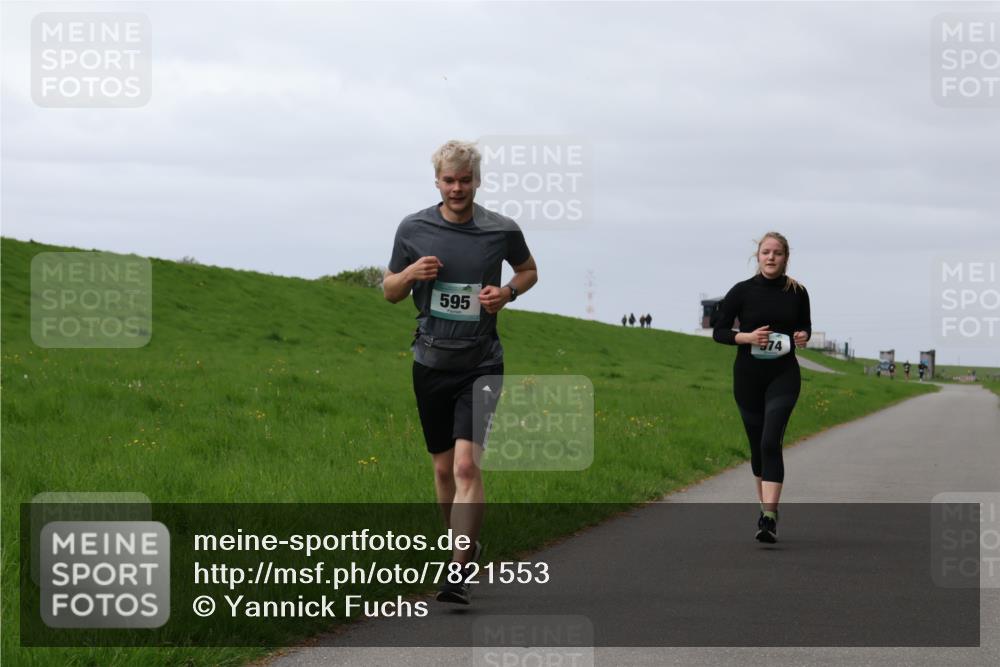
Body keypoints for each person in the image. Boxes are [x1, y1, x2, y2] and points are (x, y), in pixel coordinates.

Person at [383, 140, 538, 604]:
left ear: (477, 180)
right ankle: (460, 543)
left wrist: (507, 293)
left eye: (465, 180)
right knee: (443, 469)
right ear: (437, 181)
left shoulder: (500, 229)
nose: (457, 188)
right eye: (449, 180)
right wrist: (411, 274)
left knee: (468, 464)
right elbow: (389, 291)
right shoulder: (413, 228)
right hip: (431, 361)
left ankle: (457, 570)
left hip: (482, 361)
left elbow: (529, 270)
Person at [713, 232, 811, 543]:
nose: (771, 257)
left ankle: (769, 516)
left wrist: (802, 336)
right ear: (758, 256)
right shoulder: (741, 291)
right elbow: (719, 332)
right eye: (766, 252)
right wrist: (747, 337)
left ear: (786, 257)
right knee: (757, 449)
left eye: (777, 253)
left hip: (783, 376)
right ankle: (764, 508)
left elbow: (805, 325)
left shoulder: (798, 292)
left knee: (771, 442)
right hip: (747, 377)